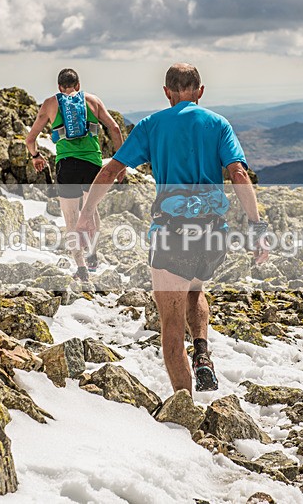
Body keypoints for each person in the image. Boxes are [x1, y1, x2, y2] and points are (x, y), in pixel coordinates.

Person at [77, 63, 269, 393]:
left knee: (170, 326)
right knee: (195, 288)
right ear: (201, 91)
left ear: (167, 92)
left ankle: (185, 407)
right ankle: (203, 353)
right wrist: (256, 227)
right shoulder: (219, 124)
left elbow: (110, 171)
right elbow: (238, 174)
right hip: (212, 235)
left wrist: (87, 212)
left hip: (172, 235)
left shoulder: (152, 125)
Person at [26, 68, 124, 281]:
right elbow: (115, 129)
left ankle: (81, 268)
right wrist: (121, 164)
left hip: (67, 165)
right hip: (92, 164)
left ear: (60, 88)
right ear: (78, 86)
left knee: (71, 217)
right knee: (91, 209)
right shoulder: (93, 101)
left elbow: (30, 139)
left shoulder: (51, 104)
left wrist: (36, 156)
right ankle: (92, 256)